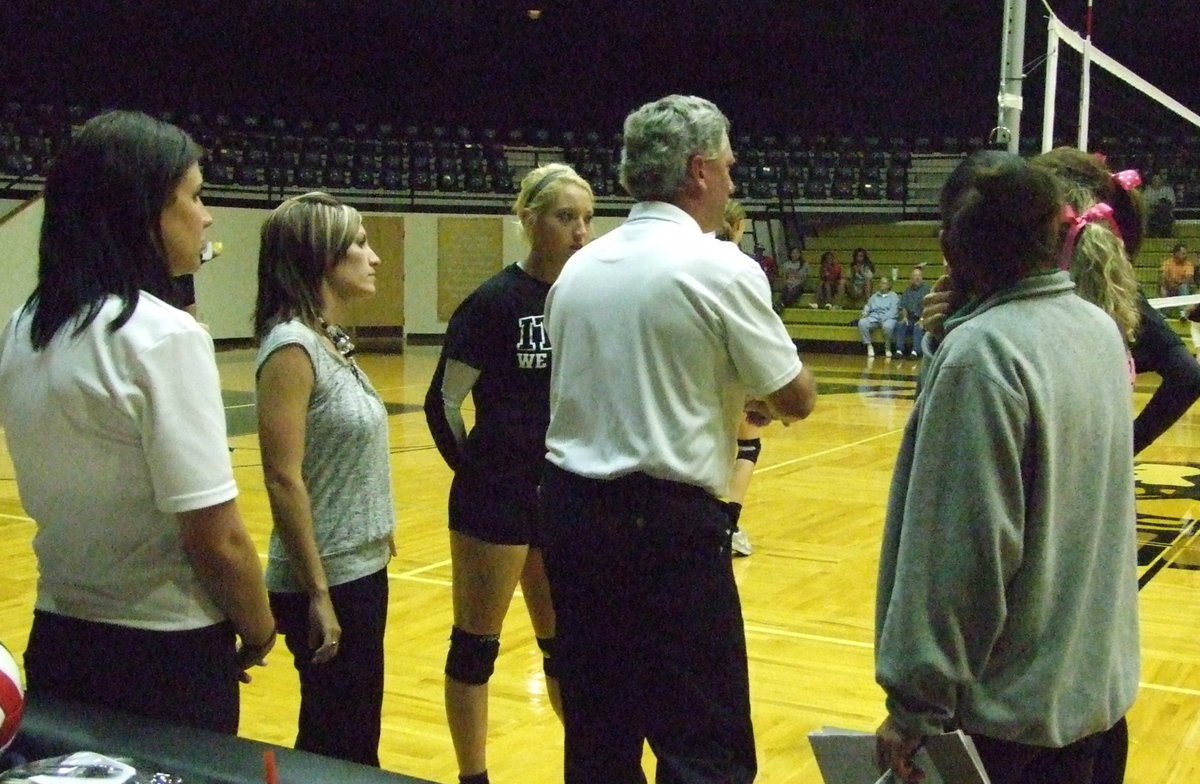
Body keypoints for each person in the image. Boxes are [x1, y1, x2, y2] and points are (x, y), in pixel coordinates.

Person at [540, 94, 817, 783]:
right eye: (727, 166)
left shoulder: (579, 270)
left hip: (572, 518)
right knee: (704, 741)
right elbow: (797, 397)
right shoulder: (719, 266)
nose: (732, 179)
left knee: (599, 737)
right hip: (665, 528)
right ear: (698, 170)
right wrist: (747, 393)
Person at [0, 110, 276, 733]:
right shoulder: (163, 335)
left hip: (59, 638)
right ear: (143, 210)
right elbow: (216, 536)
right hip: (165, 654)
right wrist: (259, 629)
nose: (207, 217)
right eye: (195, 197)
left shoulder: (24, 325)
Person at [875, 150, 1139, 784]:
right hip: (1093, 702)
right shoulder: (1099, 330)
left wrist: (915, 706)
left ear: (949, 246)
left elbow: (962, 556)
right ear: (1056, 230)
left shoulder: (984, 356)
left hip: (1009, 724)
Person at [423, 163, 594, 784]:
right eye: (565, 217)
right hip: (495, 502)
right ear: (529, 219)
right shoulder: (493, 303)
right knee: (476, 646)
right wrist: (480, 473)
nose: (580, 232)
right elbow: (442, 403)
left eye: (587, 218)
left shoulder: (585, 298)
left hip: (561, 497)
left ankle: (592, 766)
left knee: (566, 649)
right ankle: (473, 776)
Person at [922, 148, 1200, 455]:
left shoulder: (1004, 328)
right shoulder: (1107, 309)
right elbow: (1186, 373)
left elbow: (947, 444)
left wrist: (943, 343)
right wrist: (1123, 450)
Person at [254, 192, 396, 765]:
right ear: (320, 258)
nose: (374, 257)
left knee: (348, 741)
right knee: (338, 748)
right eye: (359, 244)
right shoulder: (292, 347)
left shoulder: (326, 340)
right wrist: (318, 595)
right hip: (328, 581)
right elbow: (282, 478)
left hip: (359, 570)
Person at [716, 199, 765, 558]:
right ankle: (728, 524)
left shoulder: (684, 259)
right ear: (739, 227)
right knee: (747, 445)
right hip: (734, 371)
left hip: (693, 372)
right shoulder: (743, 268)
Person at [856, 274, 899, 358]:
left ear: (889, 285)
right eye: (880, 283)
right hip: (874, 317)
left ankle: (887, 347)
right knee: (862, 323)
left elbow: (894, 311)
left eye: (884, 283)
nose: (881, 285)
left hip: (887, 318)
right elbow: (868, 306)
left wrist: (884, 318)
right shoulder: (874, 296)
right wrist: (865, 312)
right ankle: (869, 345)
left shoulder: (894, 296)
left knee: (888, 326)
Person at [894, 266, 930, 358]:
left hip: (923, 318)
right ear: (911, 278)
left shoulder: (927, 289)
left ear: (922, 277)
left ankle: (915, 351)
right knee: (901, 324)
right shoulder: (907, 290)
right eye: (915, 276)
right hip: (910, 318)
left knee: (918, 327)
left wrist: (922, 320)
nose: (917, 278)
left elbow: (928, 307)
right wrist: (905, 317)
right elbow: (904, 306)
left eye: (919, 275)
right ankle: (899, 350)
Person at [775, 246, 809, 311]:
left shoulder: (804, 265)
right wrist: (788, 284)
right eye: (793, 253)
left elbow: (804, 279)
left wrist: (794, 285)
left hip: (798, 285)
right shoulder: (786, 265)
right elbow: (784, 278)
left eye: (797, 253)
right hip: (788, 285)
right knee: (784, 291)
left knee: (793, 292)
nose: (795, 255)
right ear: (790, 254)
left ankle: (783, 305)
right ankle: (779, 305)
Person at [1144, 172, 1176, 237]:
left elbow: (1171, 202)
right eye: (1154, 179)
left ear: (1161, 180)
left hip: (1166, 214)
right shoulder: (1147, 191)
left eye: (1158, 179)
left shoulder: (1168, 190)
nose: (1156, 181)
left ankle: (1167, 234)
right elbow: (1145, 204)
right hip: (1152, 213)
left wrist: (1160, 204)